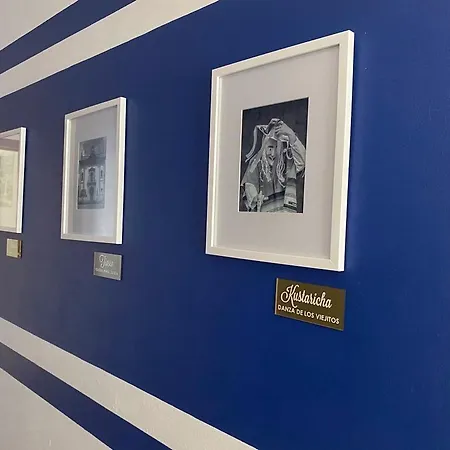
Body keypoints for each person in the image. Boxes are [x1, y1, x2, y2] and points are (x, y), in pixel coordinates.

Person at [240, 118, 306, 213]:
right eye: (270, 148)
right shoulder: (256, 164)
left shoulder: (288, 161)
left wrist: (291, 134)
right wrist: (255, 199)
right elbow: (250, 186)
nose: (273, 154)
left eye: (277, 148)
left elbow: (302, 162)